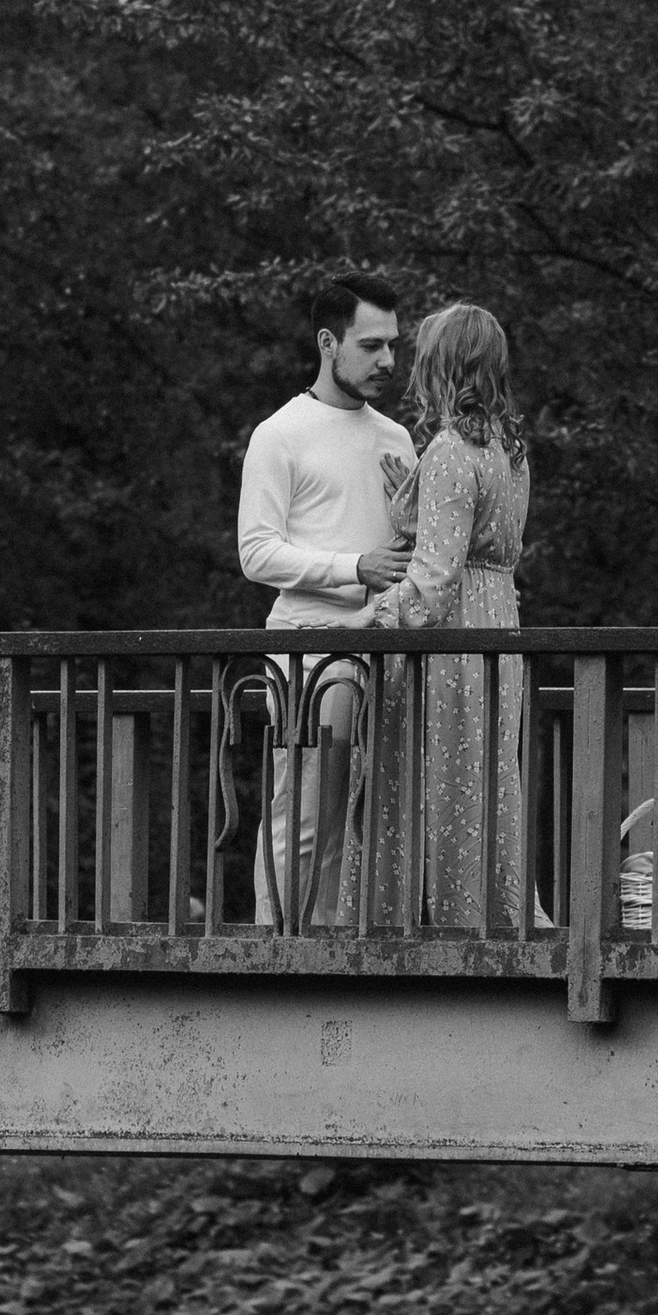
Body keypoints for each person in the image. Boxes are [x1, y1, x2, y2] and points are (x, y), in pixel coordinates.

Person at [236, 262, 417, 926]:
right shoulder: (280, 434)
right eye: (371, 345)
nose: (387, 360)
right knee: (307, 811)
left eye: (393, 344)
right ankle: (279, 953)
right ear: (326, 343)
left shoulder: (397, 439)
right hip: (310, 652)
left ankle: (347, 958)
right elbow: (256, 552)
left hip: (389, 652)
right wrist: (354, 567)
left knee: (373, 820)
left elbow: (410, 556)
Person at [383, 301, 532, 931]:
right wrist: (410, 502)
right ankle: (492, 918)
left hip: (451, 642)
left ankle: (444, 932)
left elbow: (435, 584)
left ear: (442, 365)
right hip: (499, 627)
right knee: (485, 783)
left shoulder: (449, 451)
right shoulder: (510, 448)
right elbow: (477, 543)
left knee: (440, 782)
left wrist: (374, 617)